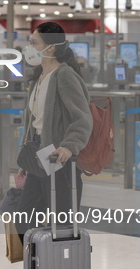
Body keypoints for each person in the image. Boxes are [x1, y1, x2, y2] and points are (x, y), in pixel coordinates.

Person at [15, 22, 93, 243]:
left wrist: (70, 145)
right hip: (40, 155)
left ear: (50, 48)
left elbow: (82, 117)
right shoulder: (39, 77)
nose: (29, 47)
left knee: (62, 223)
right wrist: (25, 161)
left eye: (34, 42)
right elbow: (35, 122)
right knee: (24, 220)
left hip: (58, 158)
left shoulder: (64, 75)